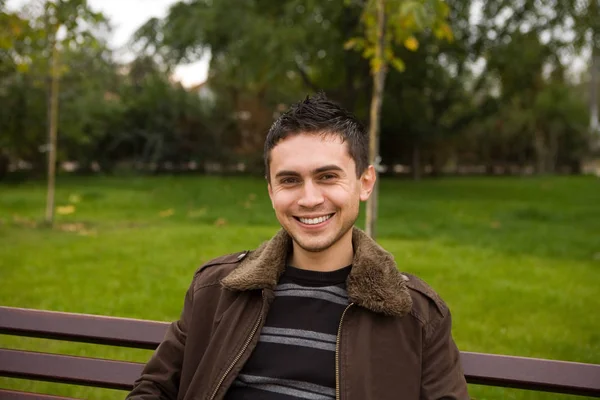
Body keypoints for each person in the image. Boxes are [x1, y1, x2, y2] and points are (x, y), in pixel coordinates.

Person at [127, 93, 469, 400]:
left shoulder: (416, 315)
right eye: (289, 180)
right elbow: (154, 389)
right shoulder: (215, 289)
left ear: (365, 183)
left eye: (327, 177)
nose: (309, 199)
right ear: (270, 190)